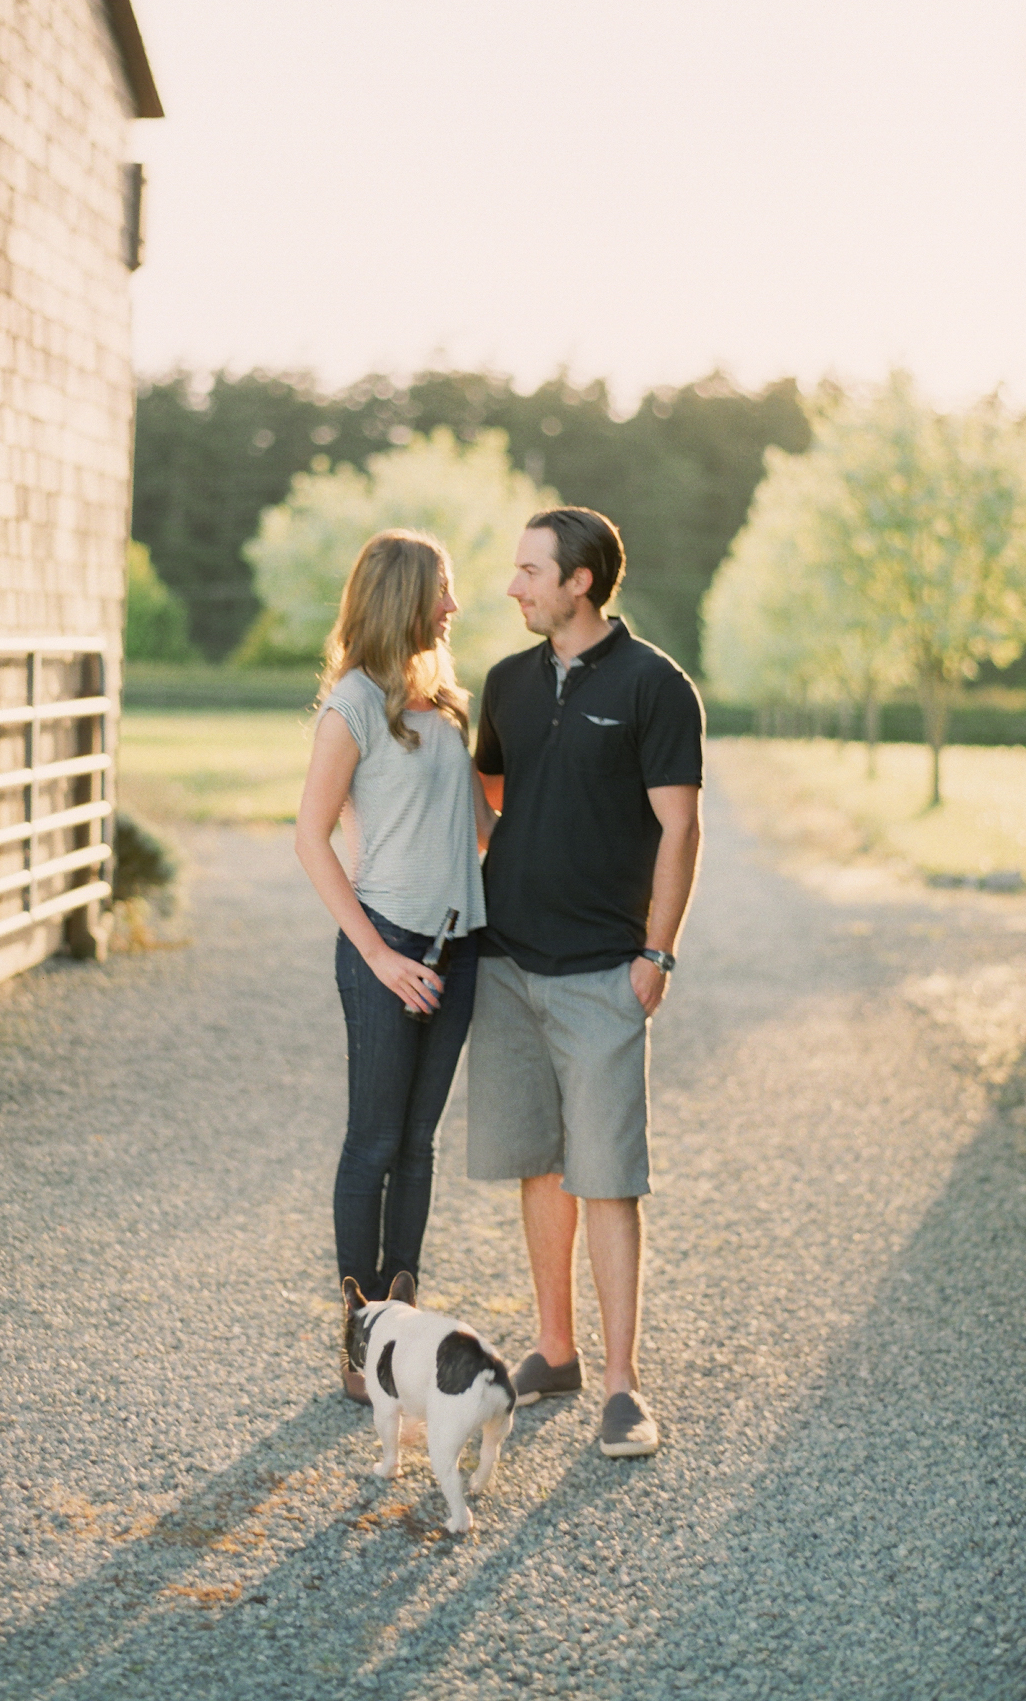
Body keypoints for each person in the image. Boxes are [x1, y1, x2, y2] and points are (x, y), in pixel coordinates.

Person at [467, 506, 704, 1457]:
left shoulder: (655, 686)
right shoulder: (506, 682)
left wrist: (656, 953)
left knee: (607, 1179)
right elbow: (490, 791)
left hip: (607, 970)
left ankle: (621, 1388)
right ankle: (555, 1351)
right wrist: (511, 849)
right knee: (539, 1164)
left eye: (530, 570)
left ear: (580, 582)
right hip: (509, 964)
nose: (514, 586)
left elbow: (679, 830)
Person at [295, 529, 493, 1404]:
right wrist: (377, 957)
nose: (453, 608)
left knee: (419, 1144)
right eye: (442, 591)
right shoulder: (352, 706)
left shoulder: (447, 703)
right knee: (373, 1143)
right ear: (403, 598)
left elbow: (482, 829)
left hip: (462, 946)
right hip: (387, 947)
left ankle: (400, 1323)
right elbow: (309, 836)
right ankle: (355, 1340)